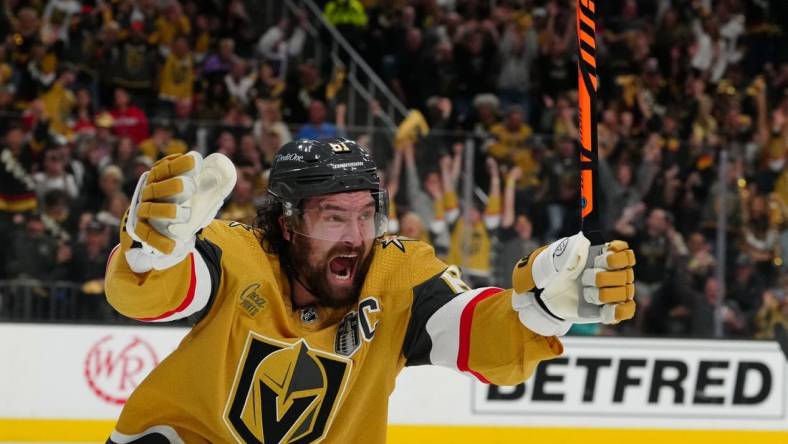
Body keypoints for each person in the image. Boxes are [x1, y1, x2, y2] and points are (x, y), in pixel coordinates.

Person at [104, 138, 637, 443]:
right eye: (334, 217)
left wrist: (538, 312)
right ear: (287, 223)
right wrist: (152, 254)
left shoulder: (395, 275)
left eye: (365, 216)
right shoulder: (241, 255)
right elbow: (153, 295)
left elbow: (475, 335)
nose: (356, 237)